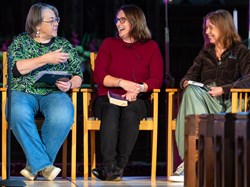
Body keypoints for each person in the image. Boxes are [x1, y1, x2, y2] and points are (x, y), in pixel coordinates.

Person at [168, 9, 250, 182]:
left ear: (223, 27)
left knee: (198, 96)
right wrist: (186, 82)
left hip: (230, 101)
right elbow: (189, 75)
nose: (207, 32)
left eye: (210, 28)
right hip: (206, 100)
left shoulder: (241, 51)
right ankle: (189, 162)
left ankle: (208, 161)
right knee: (190, 91)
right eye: (206, 28)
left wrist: (224, 89)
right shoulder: (205, 53)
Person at [7, 3, 83, 181]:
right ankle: (44, 166)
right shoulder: (21, 41)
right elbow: (16, 69)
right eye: (51, 20)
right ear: (37, 25)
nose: (56, 23)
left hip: (53, 92)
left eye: (57, 19)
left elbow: (78, 74)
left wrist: (71, 84)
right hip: (23, 91)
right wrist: (46, 58)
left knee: (64, 113)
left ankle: (34, 165)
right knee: (16, 111)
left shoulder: (63, 44)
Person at [91, 4, 163, 181]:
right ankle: (109, 166)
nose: (118, 23)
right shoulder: (109, 44)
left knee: (131, 112)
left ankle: (119, 167)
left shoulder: (151, 47)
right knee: (111, 110)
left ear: (135, 21)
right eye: (117, 20)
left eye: (122, 19)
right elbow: (99, 75)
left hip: (137, 99)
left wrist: (138, 88)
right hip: (108, 97)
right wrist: (122, 83)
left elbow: (156, 79)